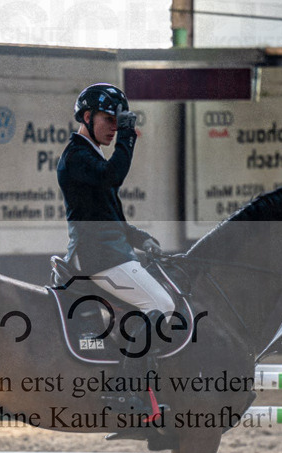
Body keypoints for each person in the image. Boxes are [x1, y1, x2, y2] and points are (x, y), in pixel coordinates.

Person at [56, 83, 173, 427]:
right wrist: (128, 137)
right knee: (162, 305)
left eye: (117, 121)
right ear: (87, 117)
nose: (114, 127)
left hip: (110, 250)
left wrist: (140, 238)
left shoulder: (90, 156)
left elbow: (112, 216)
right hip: (99, 256)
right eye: (109, 119)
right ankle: (126, 390)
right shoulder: (76, 156)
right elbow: (114, 175)